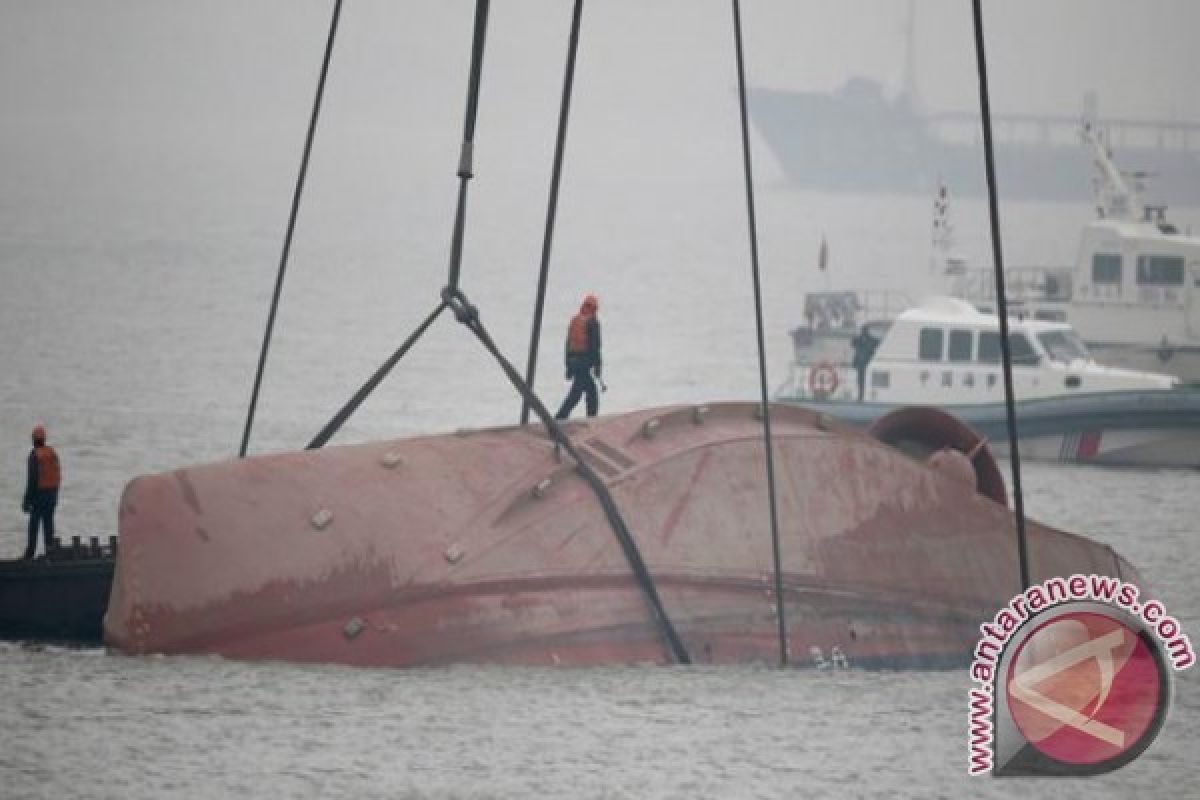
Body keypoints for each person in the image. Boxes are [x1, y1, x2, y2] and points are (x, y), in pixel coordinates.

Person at [554, 293, 603, 420]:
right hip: (583, 363)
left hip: (573, 362)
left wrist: (568, 366)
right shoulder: (593, 322)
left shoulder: (575, 321)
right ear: (594, 309)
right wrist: (598, 367)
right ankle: (560, 419)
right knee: (579, 394)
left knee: (588, 392)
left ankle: (588, 418)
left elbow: (568, 345)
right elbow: (595, 347)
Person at [22, 424, 61, 560]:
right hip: (52, 494)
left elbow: (32, 479)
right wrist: (55, 495)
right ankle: (50, 552)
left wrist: (27, 500)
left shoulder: (34, 456)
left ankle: (29, 553)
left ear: (34, 440)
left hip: (39, 495)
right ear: (44, 439)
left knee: (34, 524)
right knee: (48, 524)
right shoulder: (52, 453)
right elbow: (57, 475)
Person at [850, 324, 880, 402]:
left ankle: (863, 395)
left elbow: (878, 344)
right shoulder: (858, 339)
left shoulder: (871, 340)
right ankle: (861, 395)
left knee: (865, 379)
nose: (863, 332)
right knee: (860, 379)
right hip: (861, 362)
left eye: (864, 330)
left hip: (867, 362)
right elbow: (852, 344)